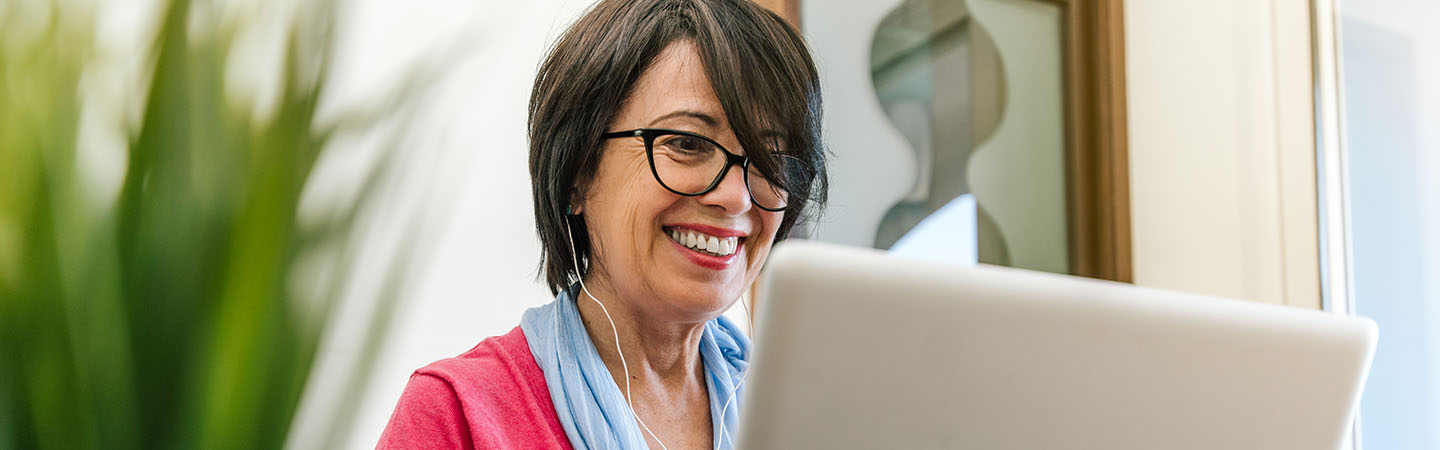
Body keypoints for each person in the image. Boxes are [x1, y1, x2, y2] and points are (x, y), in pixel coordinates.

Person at [377, 0, 825, 448]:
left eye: (770, 159)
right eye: (687, 144)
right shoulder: (457, 415)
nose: (735, 197)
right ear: (577, 173)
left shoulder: (802, 417)